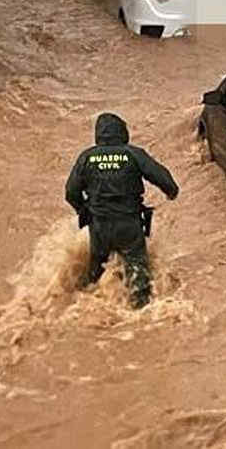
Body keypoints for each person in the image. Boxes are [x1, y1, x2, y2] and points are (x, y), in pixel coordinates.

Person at [64, 112, 179, 308]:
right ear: (122, 133)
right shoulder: (133, 154)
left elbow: (70, 192)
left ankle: (85, 309)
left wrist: (84, 210)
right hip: (129, 225)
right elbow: (163, 179)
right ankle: (141, 315)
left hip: (99, 226)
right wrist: (171, 192)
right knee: (138, 273)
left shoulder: (86, 157)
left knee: (96, 272)